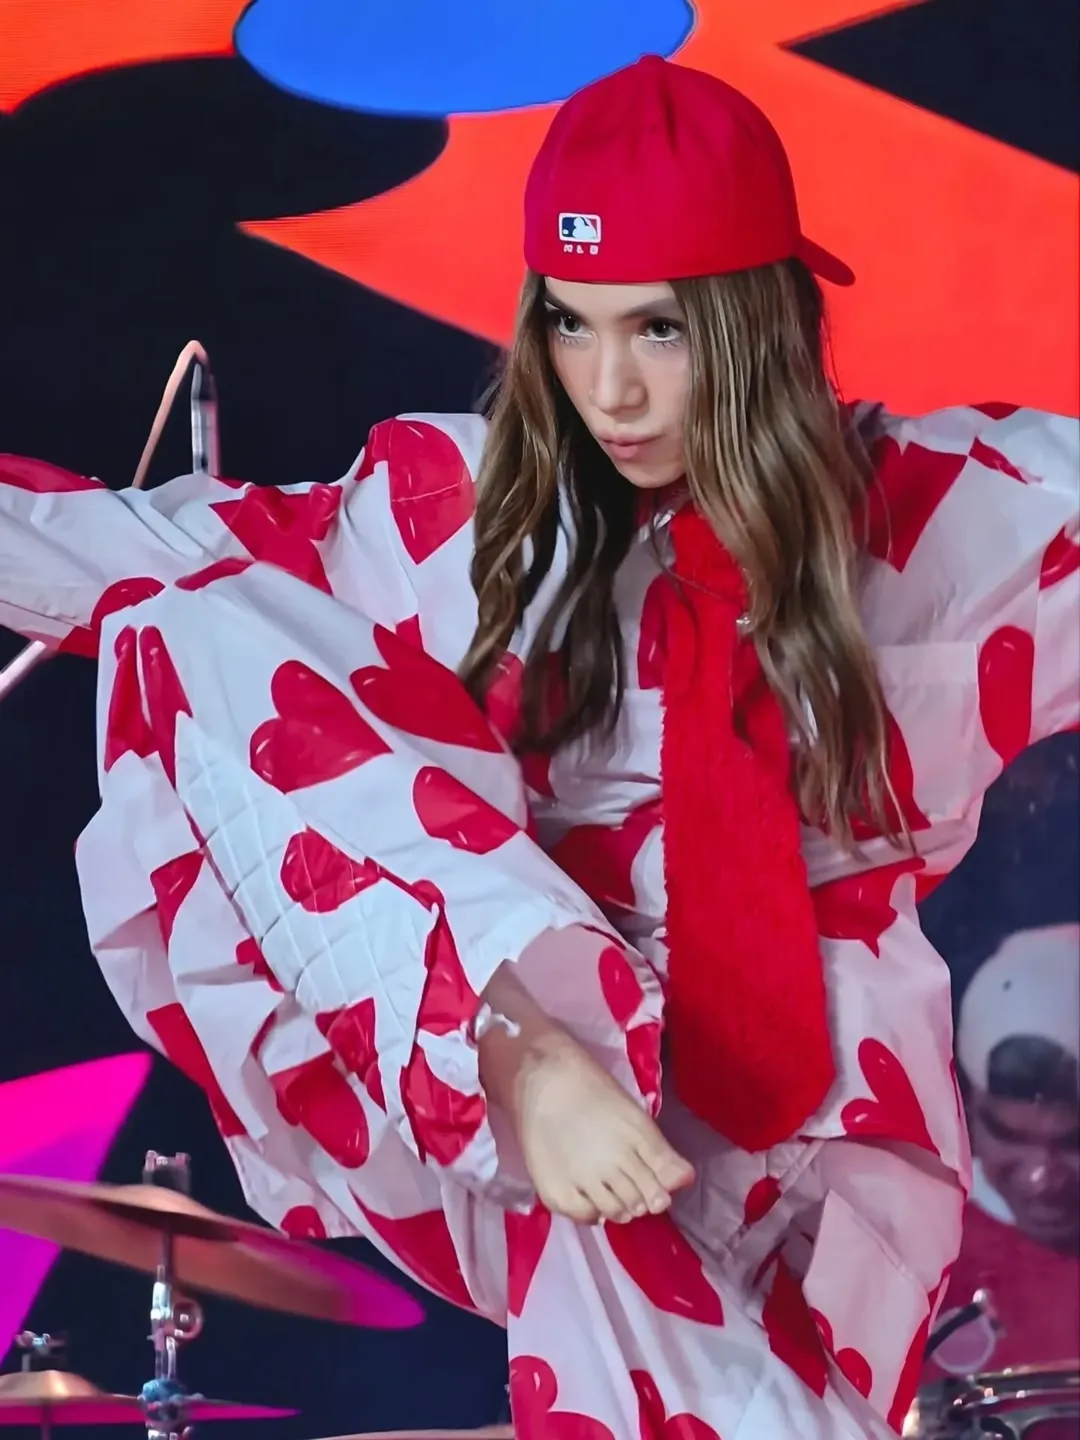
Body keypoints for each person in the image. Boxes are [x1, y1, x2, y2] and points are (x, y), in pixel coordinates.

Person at [0, 54, 1077, 1439]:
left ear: (755, 320)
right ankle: (522, 1042)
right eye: (570, 324)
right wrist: (523, 1041)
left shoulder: (957, 513)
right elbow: (109, 549)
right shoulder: (454, 515)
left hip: (847, 1115)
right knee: (206, 619)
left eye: (659, 330)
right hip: (562, 1060)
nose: (609, 388)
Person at [925, 924, 1080, 1378]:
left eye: (1074, 1142)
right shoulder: (918, 1249)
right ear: (968, 1106)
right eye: (1008, 1135)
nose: (1040, 1179)